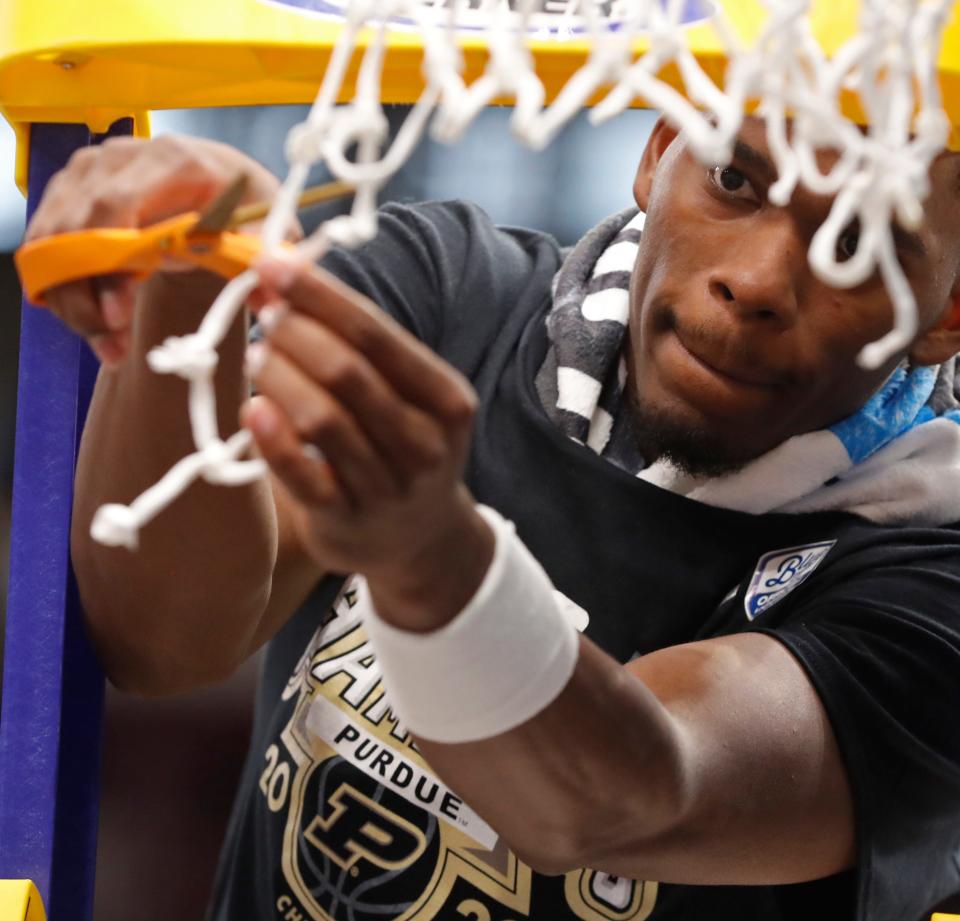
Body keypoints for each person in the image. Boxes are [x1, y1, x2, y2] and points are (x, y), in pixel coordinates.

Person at [24, 116, 960, 921]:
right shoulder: (446, 291)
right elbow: (163, 644)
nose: (757, 280)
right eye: (733, 178)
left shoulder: (931, 567)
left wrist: (429, 555)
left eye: (861, 241)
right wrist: (191, 284)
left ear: (947, 309)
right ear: (661, 151)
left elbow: (617, 802)